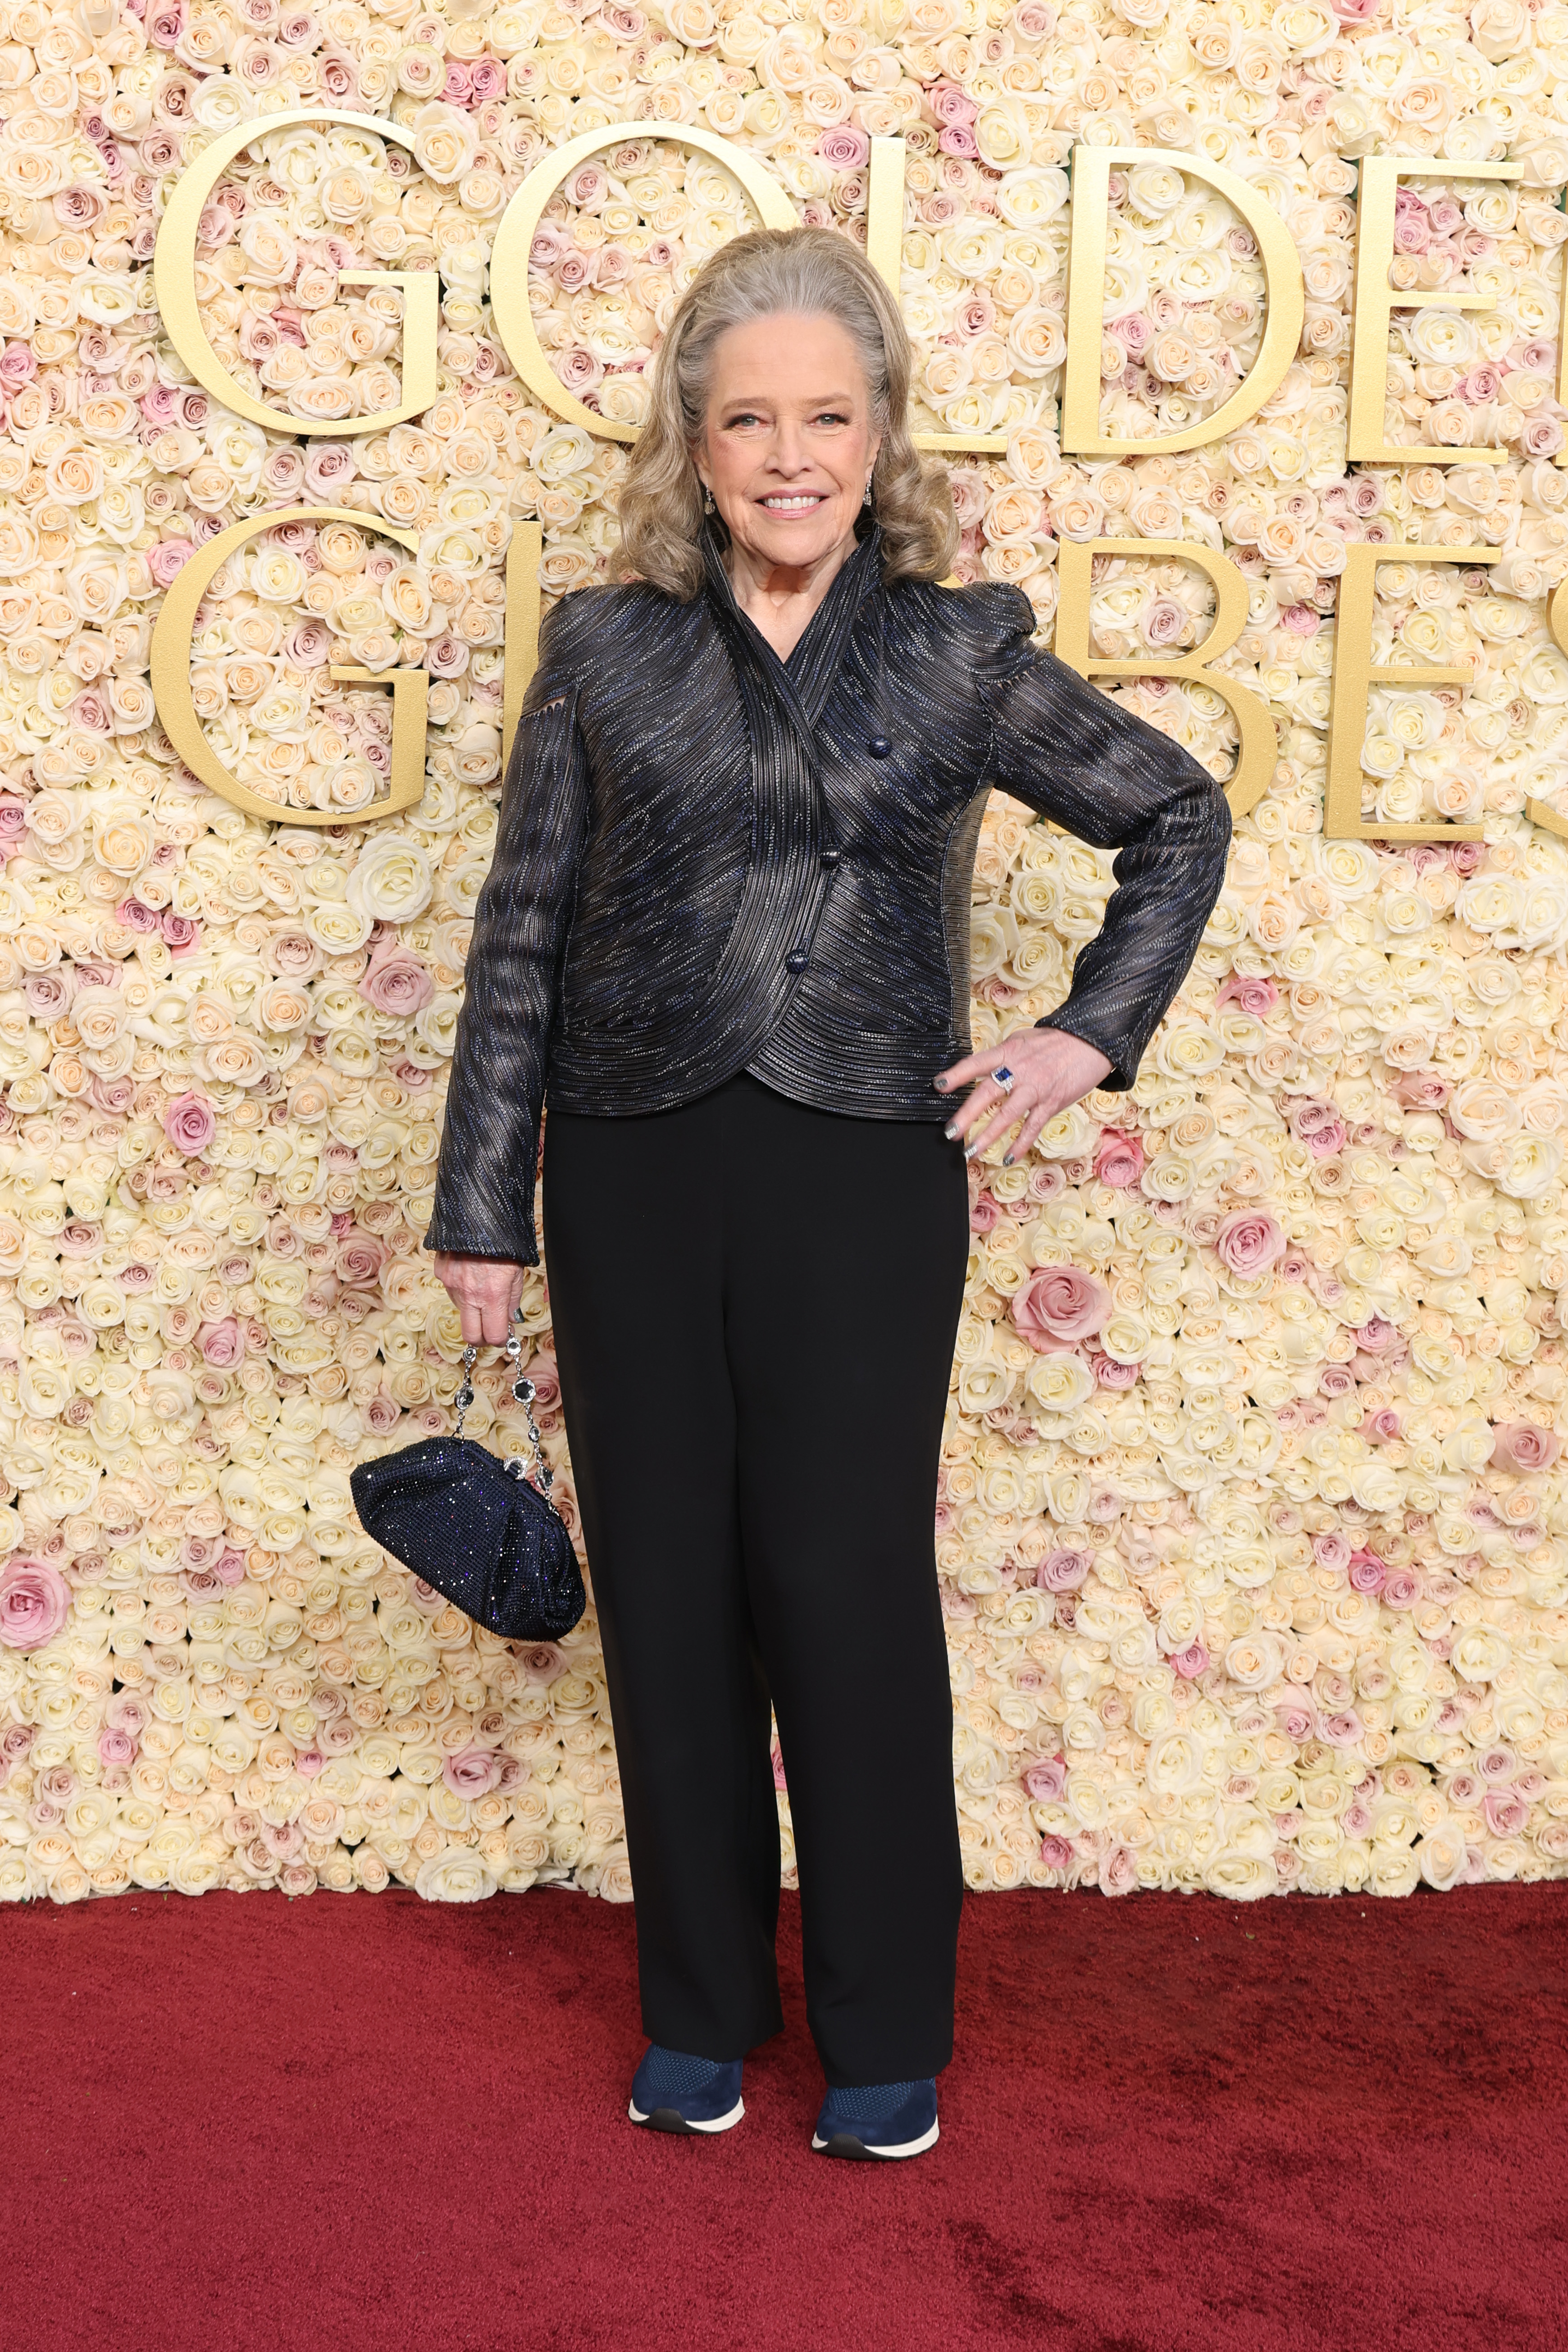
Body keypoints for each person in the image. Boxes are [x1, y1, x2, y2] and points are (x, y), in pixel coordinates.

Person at [426, 226, 1230, 2160]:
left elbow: (1175, 817)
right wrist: (481, 1205)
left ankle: (884, 2034)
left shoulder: (962, 649)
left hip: (868, 1169)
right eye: (748, 420)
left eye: (829, 417)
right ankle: (697, 2011)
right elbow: (523, 920)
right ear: (690, 447)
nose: (791, 455)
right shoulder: (605, 650)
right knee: (670, 1597)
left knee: (843, 1586)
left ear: (883, 437)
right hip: (629, 1165)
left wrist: (1082, 1040)